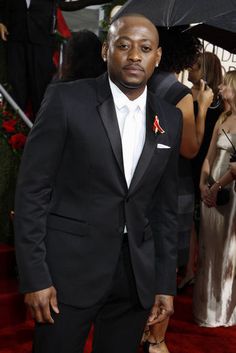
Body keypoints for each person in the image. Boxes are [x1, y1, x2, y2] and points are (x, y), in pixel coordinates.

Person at [14, 14, 183, 353]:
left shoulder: (169, 117)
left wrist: (165, 283)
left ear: (158, 57)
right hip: (67, 274)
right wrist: (35, 276)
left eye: (145, 48)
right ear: (106, 51)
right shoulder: (66, 100)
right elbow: (32, 191)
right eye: (124, 45)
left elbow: (165, 208)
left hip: (134, 277)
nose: (135, 55)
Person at [145, 27, 213, 353]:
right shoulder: (179, 92)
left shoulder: (139, 82)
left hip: (139, 183)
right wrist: (200, 107)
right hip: (171, 185)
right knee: (165, 263)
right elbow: (189, 148)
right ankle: (156, 339)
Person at [193, 70, 236, 327]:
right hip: (211, 191)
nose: (220, 88)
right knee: (209, 248)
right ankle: (208, 310)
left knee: (228, 251)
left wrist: (215, 188)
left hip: (230, 194)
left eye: (226, 85)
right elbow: (208, 155)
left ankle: (225, 311)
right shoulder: (222, 117)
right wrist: (202, 183)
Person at [179, 52, 224, 290]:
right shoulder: (185, 95)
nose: (190, 68)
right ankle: (188, 269)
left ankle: (203, 269)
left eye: (195, 66)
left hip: (209, 160)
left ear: (206, 69)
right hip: (189, 159)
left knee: (205, 217)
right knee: (189, 218)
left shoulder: (218, 100)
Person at [0, 0, 56, 120]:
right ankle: (14, 129)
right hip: (14, 36)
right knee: (16, 85)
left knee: (41, 87)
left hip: (42, 38)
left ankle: (41, 130)